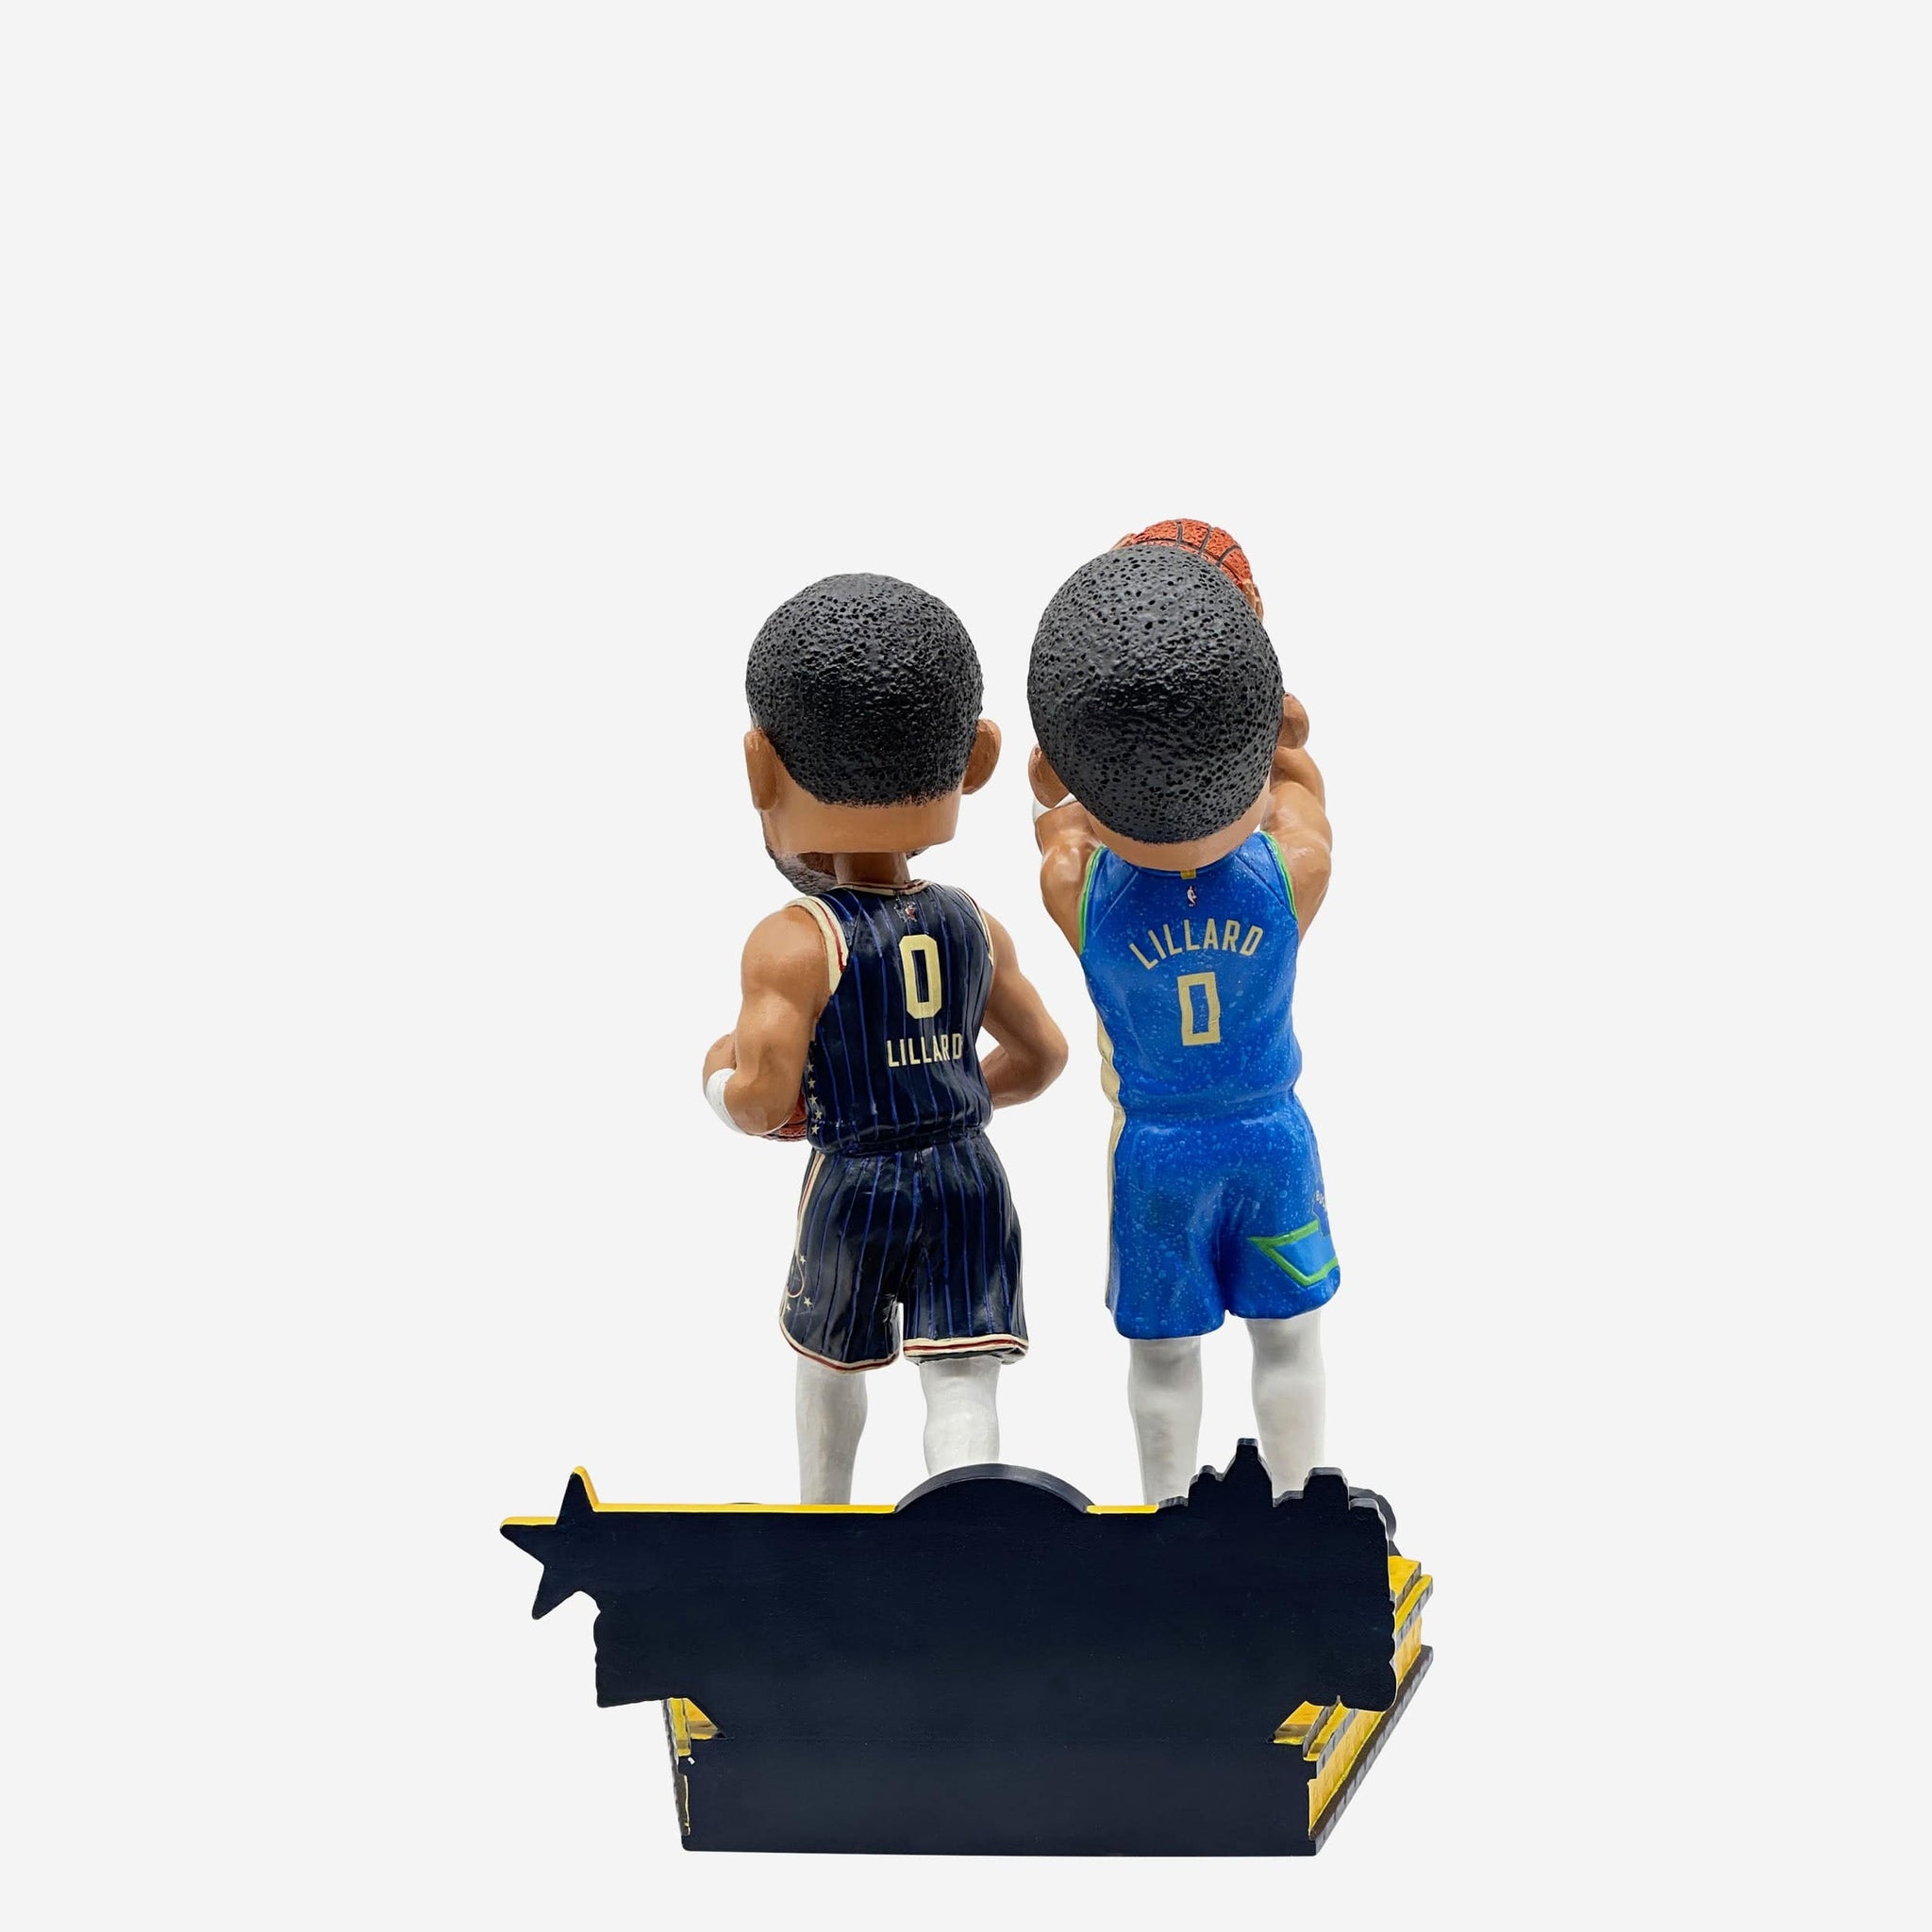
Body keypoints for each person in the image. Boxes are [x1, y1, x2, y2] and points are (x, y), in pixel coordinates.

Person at [706, 572, 1067, 1504]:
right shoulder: (976, 924)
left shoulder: (794, 943)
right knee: (962, 1378)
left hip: (857, 1178)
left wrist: (715, 1077)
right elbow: (1043, 1057)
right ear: (975, 761)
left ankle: (823, 1521)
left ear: (760, 769)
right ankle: (968, 1532)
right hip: (965, 1173)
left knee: (830, 1364)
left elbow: (759, 1100)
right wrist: (950, 1092)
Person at [1027, 523, 1337, 1504]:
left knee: (1161, 1358)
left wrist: (1091, 731)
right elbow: (1297, 774)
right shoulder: (1293, 873)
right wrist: (1244, 678)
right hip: (1270, 1136)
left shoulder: (1078, 892)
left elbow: (1051, 800)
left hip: (1157, 1152)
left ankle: (1164, 1517)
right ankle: (1299, 1510)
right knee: (1290, 1337)